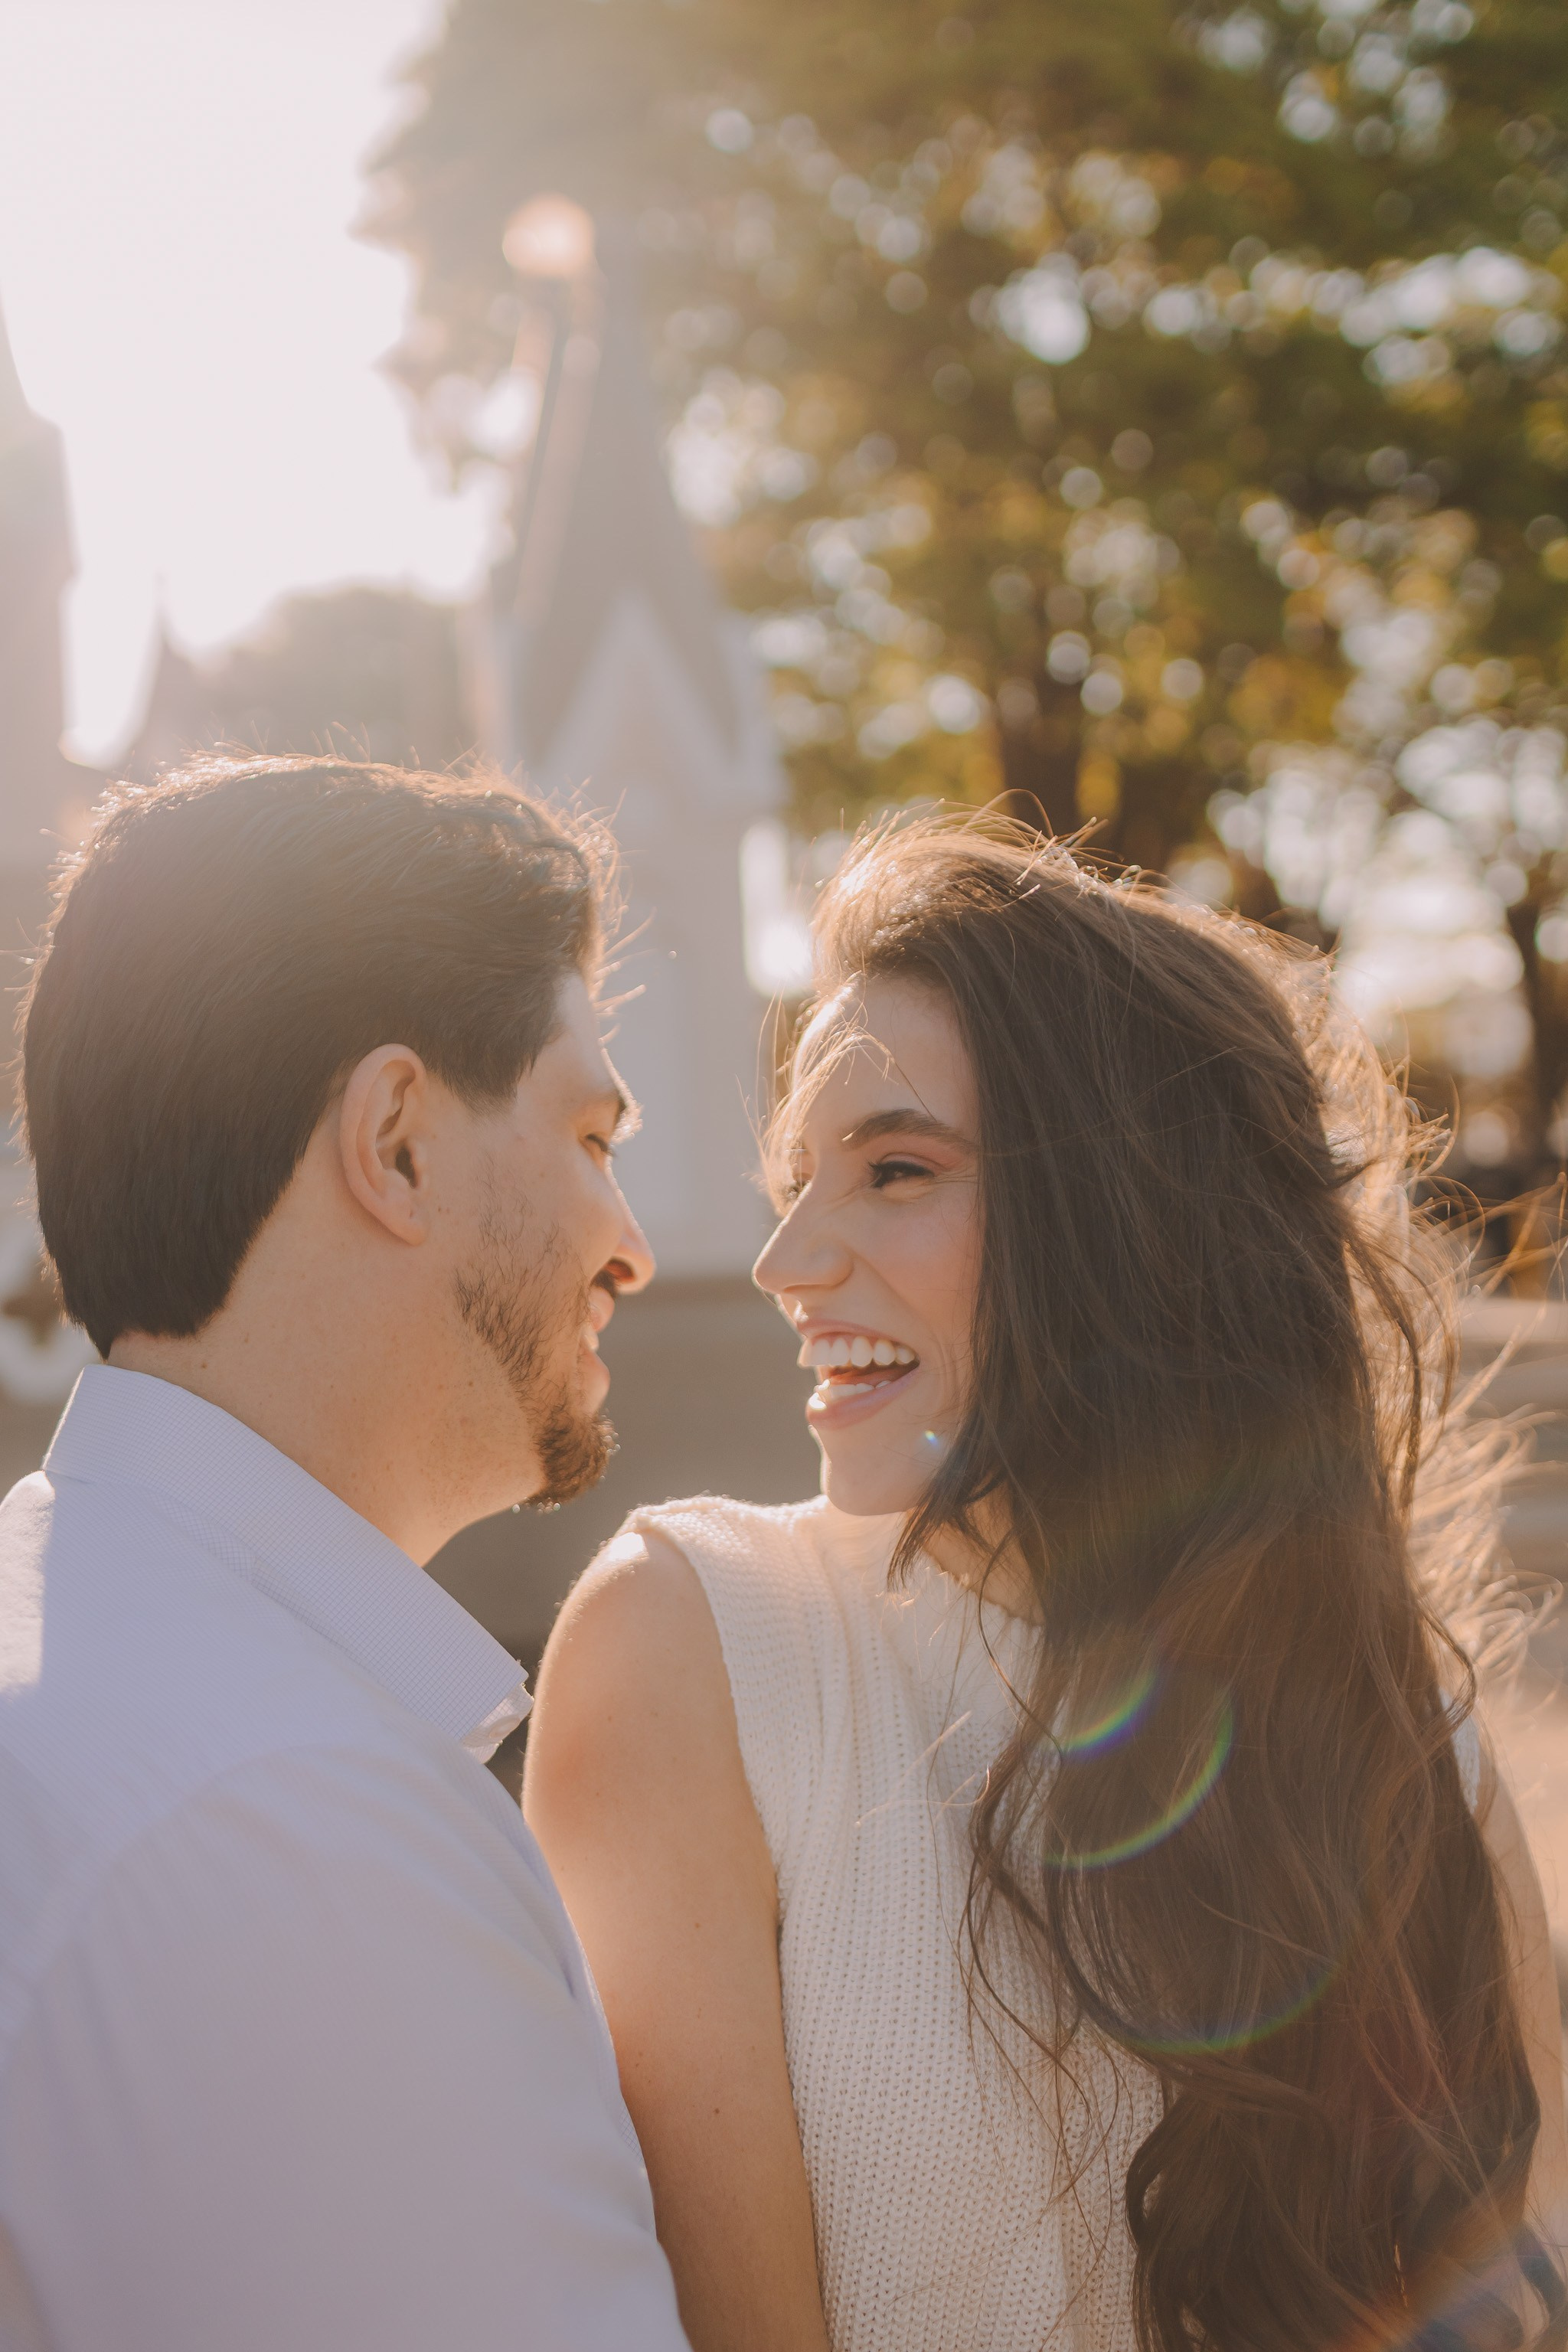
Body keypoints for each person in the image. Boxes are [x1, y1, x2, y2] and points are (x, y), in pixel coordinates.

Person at [525, 814, 1568, 2352]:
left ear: (1133, 1224)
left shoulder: (1396, 1723)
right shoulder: (694, 1642)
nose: (789, 1260)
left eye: (893, 1170)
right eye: (794, 1181)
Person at [0, 756, 690, 2352]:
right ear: (395, 1142)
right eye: (591, 1133)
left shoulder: (91, 1677)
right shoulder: (296, 1820)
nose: (632, 1242)